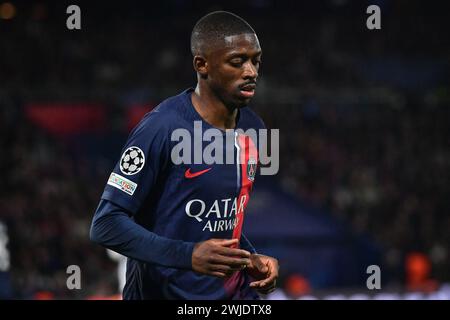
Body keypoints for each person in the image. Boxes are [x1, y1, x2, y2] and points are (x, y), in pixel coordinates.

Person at [90, 10, 278, 300]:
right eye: (237, 61)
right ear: (202, 64)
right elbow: (106, 224)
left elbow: (217, 220)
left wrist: (250, 258)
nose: (251, 71)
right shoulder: (161, 128)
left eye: (256, 60)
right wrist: (188, 255)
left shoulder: (254, 128)